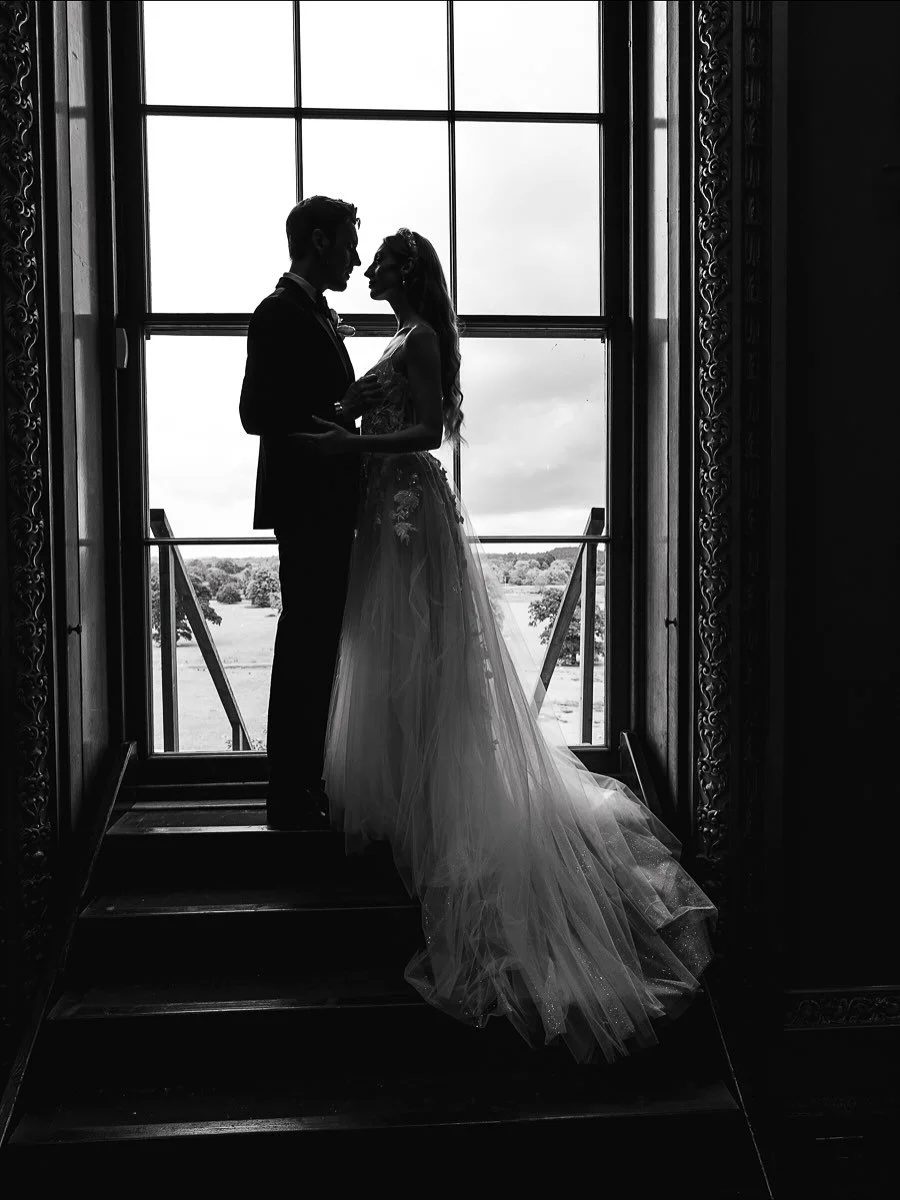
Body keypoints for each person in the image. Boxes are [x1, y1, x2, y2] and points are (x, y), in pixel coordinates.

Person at [294, 228, 717, 1064]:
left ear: (406, 272)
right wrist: (342, 416)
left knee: (419, 655)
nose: (368, 270)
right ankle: (412, 800)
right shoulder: (401, 336)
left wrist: (353, 443)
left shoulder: (422, 337)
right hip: (386, 511)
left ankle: (433, 806)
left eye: (380, 262)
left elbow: (426, 434)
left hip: (408, 507)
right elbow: (386, 410)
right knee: (392, 660)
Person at [239, 196, 384, 830]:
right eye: (349, 242)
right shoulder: (278, 311)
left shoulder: (314, 312)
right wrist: (343, 408)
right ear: (319, 241)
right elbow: (255, 413)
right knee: (305, 645)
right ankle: (289, 791)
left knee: (316, 644)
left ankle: (305, 783)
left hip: (324, 502)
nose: (356, 256)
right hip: (306, 503)